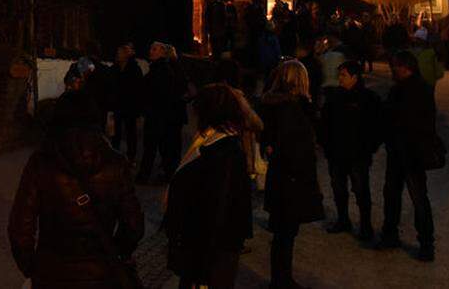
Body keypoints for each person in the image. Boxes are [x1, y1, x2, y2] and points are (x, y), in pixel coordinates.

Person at [8, 94, 144, 289]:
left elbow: (20, 228)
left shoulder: (41, 162)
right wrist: (117, 253)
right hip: (101, 274)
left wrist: (32, 267)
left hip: (51, 274)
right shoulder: (115, 163)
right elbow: (133, 224)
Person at [164, 84, 252, 289]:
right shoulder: (211, 143)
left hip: (208, 253)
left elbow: (217, 211)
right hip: (203, 248)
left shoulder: (223, 152)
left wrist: (202, 269)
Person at [260, 60, 324, 289]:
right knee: (285, 234)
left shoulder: (277, 105)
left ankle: (281, 278)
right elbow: (293, 146)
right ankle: (281, 280)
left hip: (282, 178)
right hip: (291, 180)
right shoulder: (291, 108)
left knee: (283, 233)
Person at [378, 51, 439, 262]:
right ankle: (414, 239)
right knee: (402, 195)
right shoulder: (415, 89)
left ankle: (421, 241)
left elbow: (403, 120)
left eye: (394, 66)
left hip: (409, 151)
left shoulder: (410, 90)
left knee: (412, 196)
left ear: (405, 67)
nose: (392, 70)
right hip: (406, 150)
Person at [320, 61, 382, 240]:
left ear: (354, 77)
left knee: (361, 189)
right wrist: (327, 145)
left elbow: (377, 126)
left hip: (358, 154)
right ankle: (343, 219)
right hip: (337, 153)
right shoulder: (334, 98)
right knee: (339, 188)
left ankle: (365, 225)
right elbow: (324, 124)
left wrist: (369, 147)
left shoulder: (368, 99)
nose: (339, 79)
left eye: (343, 75)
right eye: (339, 75)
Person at [137, 43, 186, 183]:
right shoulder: (159, 69)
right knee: (159, 147)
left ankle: (147, 175)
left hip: (158, 115)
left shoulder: (162, 70)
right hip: (159, 115)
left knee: (155, 147)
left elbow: (160, 94)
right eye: (151, 48)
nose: (150, 51)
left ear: (163, 53)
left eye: (154, 49)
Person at [110, 43, 144, 161]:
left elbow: (139, 89)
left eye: (120, 53)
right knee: (115, 132)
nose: (117, 55)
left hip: (130, 106)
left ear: (125, 54)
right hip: (117, 105)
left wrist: (138, 109)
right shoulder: (114, 68)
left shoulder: (134, 69)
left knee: (131, 133)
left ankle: (131, 157)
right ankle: (114, 155)